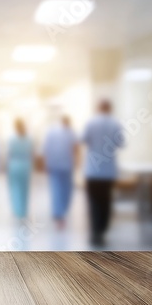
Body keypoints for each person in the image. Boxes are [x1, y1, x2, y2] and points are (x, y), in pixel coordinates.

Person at [83, 100, 125, 245]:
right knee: (106, 201)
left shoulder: (90, 123)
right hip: (108, 172)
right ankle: (102, 230)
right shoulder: (115, 124)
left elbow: (83, 139)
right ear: (110, 108)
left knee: (94, 202)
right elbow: (121, 143)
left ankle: (95, 232)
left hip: (93, 171)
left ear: (98, 107)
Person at [43, 115, 78, 229]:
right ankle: (60, 212)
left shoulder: (53, 132)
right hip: (64, 165)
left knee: (58, 189)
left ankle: (59, 211)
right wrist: (76, 161)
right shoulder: (69, 132)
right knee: (63, 190)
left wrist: (46, 163)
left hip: (57, 165)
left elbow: (46, 149)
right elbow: (76, 148)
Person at [7, 118, 33, 220]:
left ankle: (17, 211)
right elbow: (31, 153)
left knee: (15, 188)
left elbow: (9, 153)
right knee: (25, 189)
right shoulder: (29, 138)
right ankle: (23, 211)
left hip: (14, 165)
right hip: (26, 165)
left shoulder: (12, 139)